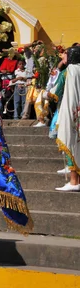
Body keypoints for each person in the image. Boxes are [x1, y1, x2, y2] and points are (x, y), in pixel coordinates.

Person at [55, 45, 80, 191]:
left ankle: (73, 182)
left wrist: (45, 96)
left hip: (71, 112)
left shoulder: (69, 71)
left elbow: (56, 90)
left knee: (71, 142)